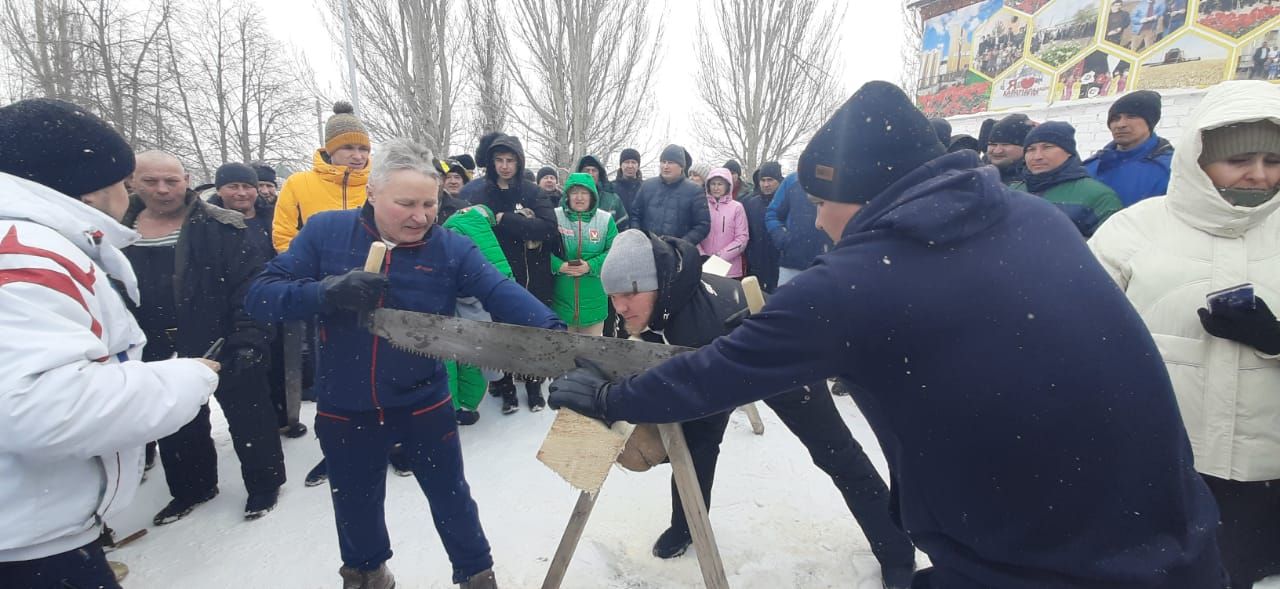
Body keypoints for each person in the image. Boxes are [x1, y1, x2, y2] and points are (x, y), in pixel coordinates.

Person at [548, 80, 1224, 589]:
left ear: (866, 191)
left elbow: (711, 373)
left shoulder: (856, 283)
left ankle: (893, 552)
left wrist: (609, 400)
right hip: (1175, 541)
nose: (819, 227)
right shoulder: (1030, 216)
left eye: (820, 206)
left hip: (1040, 565)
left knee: (836, 452)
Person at [246, 138, 562, 589]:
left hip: (423, 402)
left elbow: (499, 291)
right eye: (406, 203)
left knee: (453, 499)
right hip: (345, 405)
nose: (420, 216)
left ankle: (477, 575)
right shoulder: (325, 232)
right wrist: (325, 292)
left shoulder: (449, 248)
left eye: (430, 204)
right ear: (372, 193)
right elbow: (260, 297)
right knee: (355, 504)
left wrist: (555, 338)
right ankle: (367, 574)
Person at [588, 228, 918, 586]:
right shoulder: (660, 302)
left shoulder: (697, 320)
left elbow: (683, 391)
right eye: (613, 297)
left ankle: (896, 550)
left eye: (628, 295)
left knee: (836, 453)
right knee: (696, 448)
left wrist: (621, 402)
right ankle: (686, 527)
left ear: (655, 285)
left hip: (783, 360)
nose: (619, 307)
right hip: (713, 368)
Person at [0, 98, 217, 589]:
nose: (132, 194)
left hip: (35, 530)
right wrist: (184, 377)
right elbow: (45, 409)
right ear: (94, 190)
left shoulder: (32, 245)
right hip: (27, 544)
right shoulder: (23, 254)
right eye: (127, 183)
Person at [1089, 80, 1280, 589]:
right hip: (1160, 461)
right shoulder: (1134, 230)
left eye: (1272, 160)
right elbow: (1074, 337)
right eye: (1238, 159)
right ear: (1199, 157)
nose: (1258, 175)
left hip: (1264, 471)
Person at [123, 151, 285, 524]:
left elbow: (250, 285)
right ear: (133, 182)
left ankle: (264, 483)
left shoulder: (219, 226)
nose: (163, 190)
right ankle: (192, 487)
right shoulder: (116, 229)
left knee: (249, 413)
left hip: (219, 334)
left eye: (172, 180)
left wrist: (248, 337)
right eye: (151, 181)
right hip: (153, 344)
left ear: (187, 179)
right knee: (175, 419)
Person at [465, 133, 561, 414]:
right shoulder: (476, 193)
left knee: (531, 332)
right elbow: (464, 224)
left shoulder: (532, 192)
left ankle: (533, 384)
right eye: (499, 160)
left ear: (519, 163)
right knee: (500, 333)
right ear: (491, 163)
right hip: (491, 274)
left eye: (510, 160)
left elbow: (548, 227)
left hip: (533, 273)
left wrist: (508, 220)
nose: (505, 166)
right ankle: (506, 386)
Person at [272, 101, 370, 253]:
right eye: (348, 147)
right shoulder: (298, 183)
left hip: (371, 271)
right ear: (331, 150)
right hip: (315, 272)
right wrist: (302, 268)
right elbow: (284, 235)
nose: (358, 156)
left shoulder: (381, 184)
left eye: (363, 149)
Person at [1010, 121, 1123, 237]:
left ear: (1068, 152)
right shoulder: (1012, 191)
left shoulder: (1098, 196)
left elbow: (1109, 247)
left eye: (1047, 147)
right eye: (1030, 149)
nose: (1037, 156)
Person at [550, 173, 617, 336]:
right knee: (562, 352)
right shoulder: (554, 216)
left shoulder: (605, 220)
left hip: (594, 307)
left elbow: (615, 252)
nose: (579, 197)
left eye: (584, 192)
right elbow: (540, 251)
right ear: (567, 195)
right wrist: (559, 266)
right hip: (561, 305)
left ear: (592, 195)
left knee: (589, 355)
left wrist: (590, 266)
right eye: (574, 192)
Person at [1084, 90, 1175, 207]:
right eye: (1115, 118)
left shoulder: (1171, 169)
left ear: (1150, 122)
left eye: (1131, 116)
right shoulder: (1091, 166)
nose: (1120, 124)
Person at [630, 144, 711, 246]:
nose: (666, 166)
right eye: (663, 162)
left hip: (677, 254)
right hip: (646, 249)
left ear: (681, 166)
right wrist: (639, 238)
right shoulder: (647, 186)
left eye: (671, 163)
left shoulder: (694, 191)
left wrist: (682, 244)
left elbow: (702, 225)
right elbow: (635, 215)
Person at [765, 172, 832, 286]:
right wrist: (782, 238)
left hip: (830, 265)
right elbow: (772, 214)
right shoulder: (792, 180)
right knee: (785, 303)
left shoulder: (842, 179)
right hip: (792, 264)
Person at [698, 168, 748, 278]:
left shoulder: (737, 207)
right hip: (704, 265)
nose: (716, 188)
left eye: (720, 184)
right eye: (713, 184)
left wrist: (720, 257)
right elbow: (695, 232)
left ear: (727, 186)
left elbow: (742, 238)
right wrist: (702, 255)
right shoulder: (701, 205)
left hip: (730, 268)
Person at [741, 161, 783, 292]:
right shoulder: (750, 204)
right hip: (756, 266)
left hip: (780, 265)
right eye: (763, 180)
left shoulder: (787, 203)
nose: (766, 184)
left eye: (770, 180)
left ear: (779, 181)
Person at [575, 155, 630, 230]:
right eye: (587, 170)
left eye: (594, 170)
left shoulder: (612, 200)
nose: (590, 174)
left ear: (599, 174)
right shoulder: (569, 199)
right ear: (580, 173)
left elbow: (623, 229)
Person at [985, 113, 1034, 186]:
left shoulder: (1035, 179)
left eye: (1005, 145)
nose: (997, 151)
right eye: (993, 144)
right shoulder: (979, 174)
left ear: (1025, 147)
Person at [435, 156, 472, 223]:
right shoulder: (434, 205)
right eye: (448, 177)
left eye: (457, 177)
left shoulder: (468, 207)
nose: (453, 182)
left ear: (464, 181)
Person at [613, 147, 643, 214]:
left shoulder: (645, 188)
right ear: (621, 165)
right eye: (627, 162)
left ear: (638, 166)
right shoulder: (611, 188)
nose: (630, 166)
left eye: (633, 162)